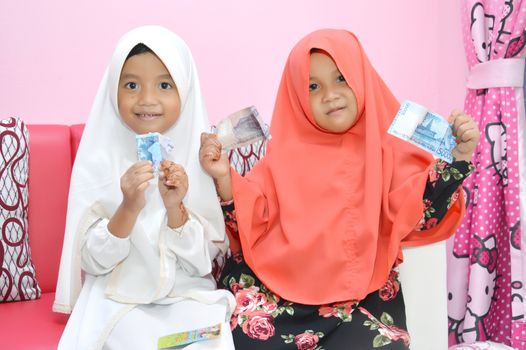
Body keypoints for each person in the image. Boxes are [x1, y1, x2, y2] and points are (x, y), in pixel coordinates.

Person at [199, 29, 480, 349]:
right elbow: (251, 215)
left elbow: (420, 212)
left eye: (341, 78)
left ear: (361, 78)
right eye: (313, 86)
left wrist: (458, 158)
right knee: (242, 340)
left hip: (360, 299)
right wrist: (224, 176)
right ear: (297, 97)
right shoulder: (283, 157)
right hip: (275, 296)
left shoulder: (390, 151)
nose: (330, 94)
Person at [53, 25, 235, 349]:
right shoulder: (99, 159)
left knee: (208, 338)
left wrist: (175, 209)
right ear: (113, 90)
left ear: (185, 89)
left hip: (186, 296)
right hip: (119, 298)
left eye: (165, 85)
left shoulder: (200, 158)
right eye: (132, 85)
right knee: (133, 341)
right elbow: (93, 261)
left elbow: (203, 260)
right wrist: (128, 207)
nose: (147, 99)